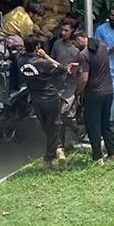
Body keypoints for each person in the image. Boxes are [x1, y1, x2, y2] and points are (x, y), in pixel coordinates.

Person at [16, 35, 78, 170]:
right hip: (50, 99)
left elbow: (20, 53)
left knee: (47, 128)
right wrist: (46, 56)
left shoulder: (20, 61)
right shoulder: (42, 63)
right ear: (37, 47)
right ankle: (49, 158)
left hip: (35, 100)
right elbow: (62, 69)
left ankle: (59, 150)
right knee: (54, 127)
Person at [73, 31, 114, 164]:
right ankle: (113, 152)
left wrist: (78, 92)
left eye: (75, 42)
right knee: (106, 123)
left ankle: (98, 156)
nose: (75, 46)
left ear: (80, 39)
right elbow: (97, 63)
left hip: (93, 94)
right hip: (108, 91)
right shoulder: (103, 46)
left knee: (93, 126)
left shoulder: (84, 54)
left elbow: (84, 78)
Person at [50, 17, 81, 148]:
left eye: (66, 30)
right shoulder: (57, 44)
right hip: (58, 84)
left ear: (73, 31)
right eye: (62, 30)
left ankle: (76, 135)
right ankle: (60, 145)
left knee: (68, 115)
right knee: (59, 116)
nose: (63, 33)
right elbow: (52, 60)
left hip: (72, 85)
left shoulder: (77, 48)